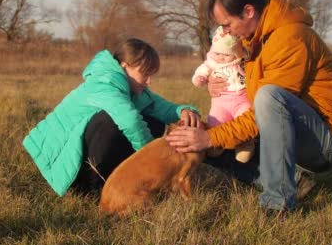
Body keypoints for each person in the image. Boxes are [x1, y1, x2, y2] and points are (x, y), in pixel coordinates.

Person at [166, 0, 332, 214]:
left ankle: (278, 205)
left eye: (227, 24)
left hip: (326, 143)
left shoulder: (290, 38)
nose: (224, 32)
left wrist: (211, 138)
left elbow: (267, 105)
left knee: (266, 99)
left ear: (248, 11)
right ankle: (294, 181)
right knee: (214, 135)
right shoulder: (255, 39)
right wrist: (220, 85)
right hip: (290, 129)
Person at [23, 38, 201, 196]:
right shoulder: (104, 84)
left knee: (151, 121)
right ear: (124, 67)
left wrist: (183, 110)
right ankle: (91, 188)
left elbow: (160, 106)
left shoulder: (131, 88)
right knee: (110, 122)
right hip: (64, 161)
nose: (149, 81)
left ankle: (136, 178)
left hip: (80, 151)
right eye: (144, 73)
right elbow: (130, 121)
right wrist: (154, 158)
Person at [192, 25, 254, 163]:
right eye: (218, 53)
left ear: (236, 53)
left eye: (226, 55)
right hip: (221, 102)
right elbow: (203, 69)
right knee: (216, 120)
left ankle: (245, 144)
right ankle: (216, 144)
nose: (220, 58)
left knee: (244, 117)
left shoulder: (242, 62)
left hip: (242, 99)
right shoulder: (212, 62)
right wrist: (201, 78)